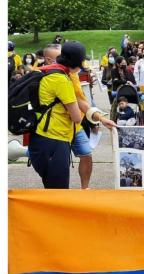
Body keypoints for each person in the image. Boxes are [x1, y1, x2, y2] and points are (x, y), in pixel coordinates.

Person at [28, 42, 112, 188]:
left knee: (53, 187)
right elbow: (77, 117)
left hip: (47, 136)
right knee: (58, 190)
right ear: (76, 62)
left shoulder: (51, 72)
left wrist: (101, 119)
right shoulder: (61, 79)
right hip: (54, 138)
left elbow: (78, 101)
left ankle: (84, 189)